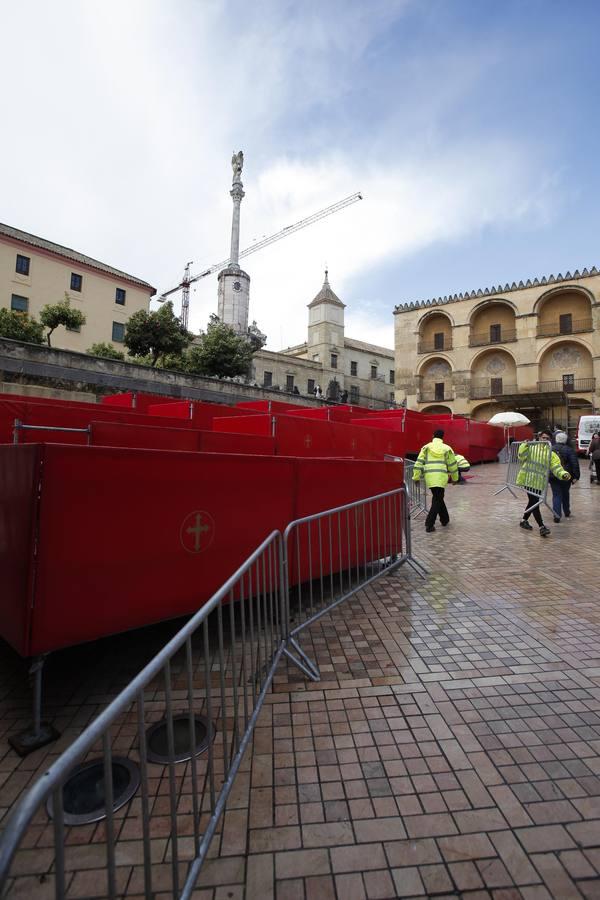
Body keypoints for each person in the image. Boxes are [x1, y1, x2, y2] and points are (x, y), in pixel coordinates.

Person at [517, 430, 570, 537]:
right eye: (543, 438)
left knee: (532, 502)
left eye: (547, 438)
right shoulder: (531, 447)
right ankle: (542, 527)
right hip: (528, 480)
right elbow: (521, 457)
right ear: (539, 438)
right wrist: (524, 445)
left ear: (550, 440)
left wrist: (563, 474)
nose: (544, 440)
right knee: (534, 502)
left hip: (539, 482)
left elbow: (556, 467)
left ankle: (523, 521)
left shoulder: (552, 453)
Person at [412, 429, 459, 532]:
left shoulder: (426, 447)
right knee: (438, 498)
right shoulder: (447, 448)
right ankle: (429, 524)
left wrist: (416, 477)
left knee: (438, 497)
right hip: (441, 478)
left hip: (430, 478)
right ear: (443, 437)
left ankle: (445, 519)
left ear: (433, 436)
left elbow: (418, 463)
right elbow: (452, 464)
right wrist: (455, 478)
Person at [550, 431, 579, 521]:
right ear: (566, 440)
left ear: (556, 439)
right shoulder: (569, 450)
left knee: (556, 494)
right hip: (566, 475)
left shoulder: (551, 449)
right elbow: (574, 463)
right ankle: (566, 511)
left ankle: (557, 515)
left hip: (553, 475)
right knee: (565, 493)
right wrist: (576, 476)